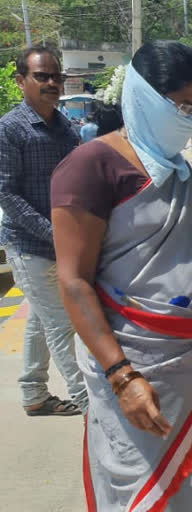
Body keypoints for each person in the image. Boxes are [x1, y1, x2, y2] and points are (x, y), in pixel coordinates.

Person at [51, 41, 192, 511]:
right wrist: (122, 376)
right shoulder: (91, 168)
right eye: (182, 105)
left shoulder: (177, 169)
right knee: (150, 490)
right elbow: (74, 281)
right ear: (144, 97)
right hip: (136, 364)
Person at [0, 46, 87, 416]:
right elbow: (6, 193)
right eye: (42, 76)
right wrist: (53, 232)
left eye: (56, 76)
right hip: (27, 244)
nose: (52, 83)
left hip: (60, 244)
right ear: (21, 81)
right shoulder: (9, 129)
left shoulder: (66, 128)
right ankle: (92, 404)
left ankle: (34, 392)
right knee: (62, 324)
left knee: (40, 318)